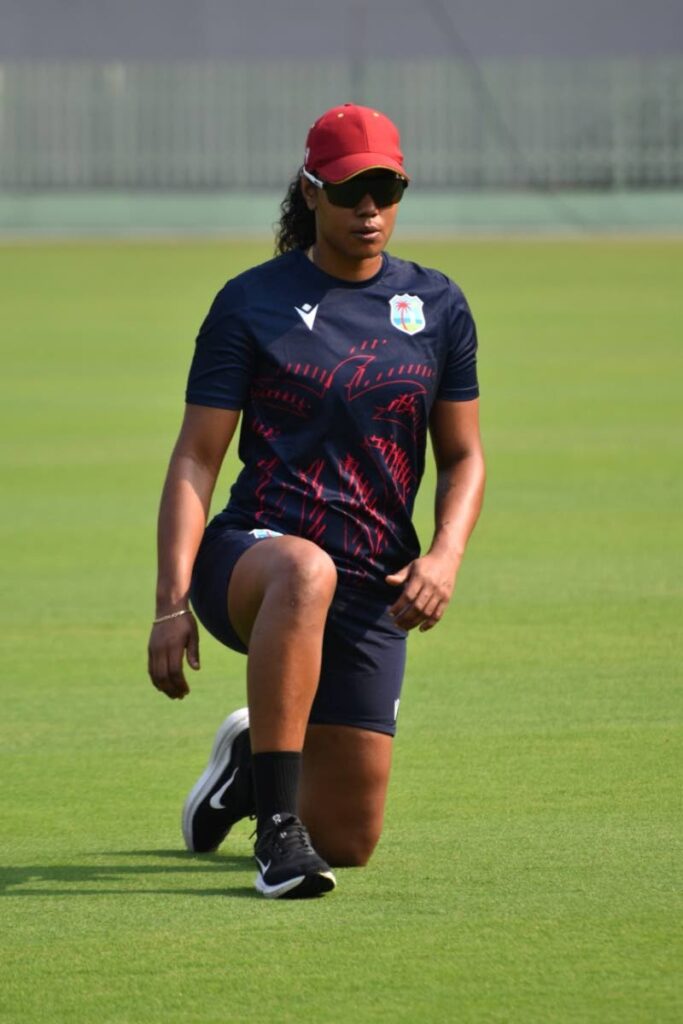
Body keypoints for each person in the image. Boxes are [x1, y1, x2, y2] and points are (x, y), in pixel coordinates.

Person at [147, 103, 485, 899]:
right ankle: (274, 833)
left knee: (352, 839)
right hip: (254, 561)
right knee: (305, 569)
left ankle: (245, 768)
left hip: (372, 579)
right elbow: (196, 458)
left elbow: (463, 456)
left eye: (385, 190)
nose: (369, 209)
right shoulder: (249, 301)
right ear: (309, 192)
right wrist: (169, 601)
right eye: (349, 192)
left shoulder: (437, 306)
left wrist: (442, 555)